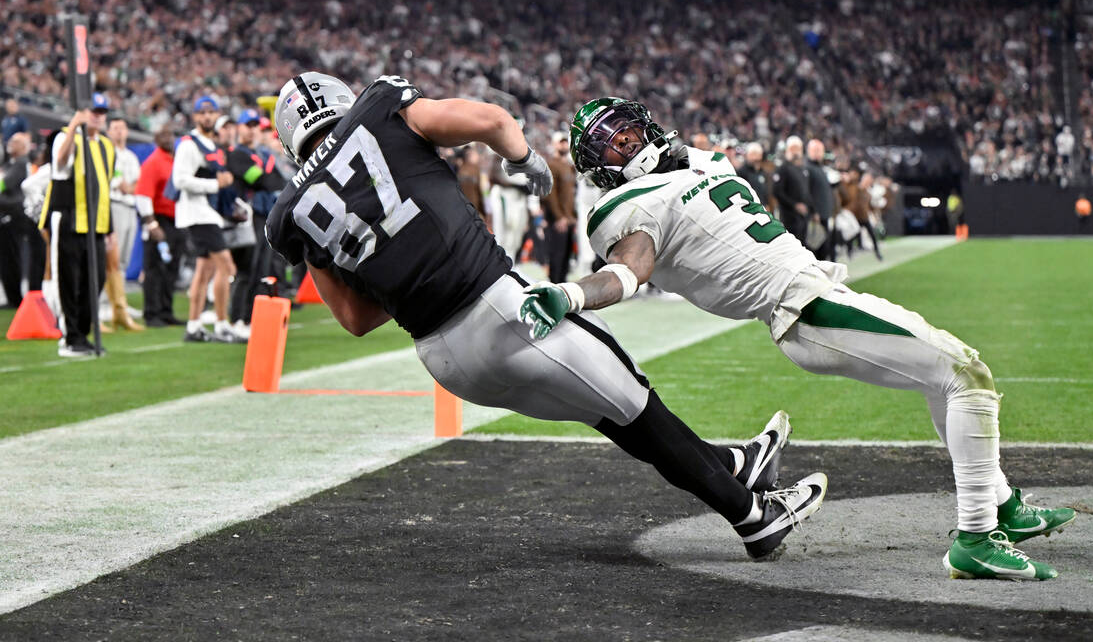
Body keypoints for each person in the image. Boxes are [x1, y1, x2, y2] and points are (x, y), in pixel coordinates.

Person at [265, 72, 826, 561]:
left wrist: (402, 268)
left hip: (444, 359)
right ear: (339, 98)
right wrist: (525, 159)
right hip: (500, 308)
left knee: (612, 413)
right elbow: (490, 119)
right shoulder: (380, 106)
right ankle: (754, 515)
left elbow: (357, 319)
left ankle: (737, 464)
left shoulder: (288, 212)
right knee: (634, 403)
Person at [521, 96, 1075, 581]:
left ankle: (999, 504)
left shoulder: (697, 164)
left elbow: (703, 165)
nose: (627, 141)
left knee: (942, 377)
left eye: (628, 129)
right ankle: (976, 539)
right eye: (611, 144)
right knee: (966, 374)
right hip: (802, 308)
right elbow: (629, 270)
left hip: (816, 292)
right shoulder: (629, 207)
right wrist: (571, 296)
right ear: (602, 171)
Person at [40, 96, 115, 356]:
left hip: (96, 223)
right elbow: (60, 165)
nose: (97, 116)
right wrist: (74, 126)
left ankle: (82, 333)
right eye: (92, 111)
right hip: (69, 217)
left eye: (101, 112)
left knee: (96, 280)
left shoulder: (106, 145)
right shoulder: (65, 137)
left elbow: (105, 188)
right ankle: (70, 336)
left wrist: (109, 228)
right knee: (68, 279)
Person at [172, 96, 241, 343]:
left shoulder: (211, 145)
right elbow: (179, 180)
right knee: (227, 267)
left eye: (211, 112)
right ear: (195, 117)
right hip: (197, 214)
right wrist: (214, 184)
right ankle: (223, 324)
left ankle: (193, 326)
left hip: (209, 213)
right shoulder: (188, 145)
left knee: (204, 271)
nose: (207, 117)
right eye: (202, 113)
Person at [224, 109, 284, 334]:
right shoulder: (236, 155)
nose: (252, 130)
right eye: (248, 125)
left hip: (262, 216)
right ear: (239, 128)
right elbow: (262, 180)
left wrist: (269, 178)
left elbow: (277, 181)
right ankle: (237, 317)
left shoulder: (263, 155)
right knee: (246, 269)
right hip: (246, 217)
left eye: (255, 126)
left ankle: (250, 317)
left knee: (261, 268)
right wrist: (268, 177)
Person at [135, 126, 184, 326]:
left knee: (171, 268)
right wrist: (152, 224)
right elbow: (142, 195)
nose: (167, 138)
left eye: (170, 134)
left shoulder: (174, 160)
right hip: (159, 219)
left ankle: (166, 311)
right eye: (162, 135)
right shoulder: (153, 162)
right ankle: (151, 313)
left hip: (176, 220)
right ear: (155, 139)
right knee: (154, 268)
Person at [102, 115, 145, 331]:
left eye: (122, 127)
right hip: (114, 204)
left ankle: (121, 304)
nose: (119, 131)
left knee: (125, 257)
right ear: (109, 131)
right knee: (112, 257)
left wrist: (130, 187)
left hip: (130, 205)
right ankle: (104, 304)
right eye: (115, 127)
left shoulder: (130, 156)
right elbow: (115, 182)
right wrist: (126, 186)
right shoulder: (106, 152)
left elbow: (138, 183)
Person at [0, 133, 43, 308]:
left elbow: (4, 184)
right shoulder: (10, 163)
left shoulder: (20, 163)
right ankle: (13, 297)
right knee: (7, 259)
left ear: (25, 146)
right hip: (8, 215)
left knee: (12, 258)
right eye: (11, 141)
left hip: (14, 216)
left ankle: (16, 298)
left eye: (16, 142)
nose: (11, 144)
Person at [541, 131, 576, 282]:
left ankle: (562, 288)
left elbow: (570, 195)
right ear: (554, 144)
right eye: (560, 142)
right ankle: (554, 288)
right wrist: (559, 217)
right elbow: (550, 194)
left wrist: (572, 216)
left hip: (568, 219)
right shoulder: (551, 164)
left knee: (566, 256)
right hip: (558, 220)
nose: (564, 145)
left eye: (565, 142)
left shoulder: (568, 165)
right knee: (557, 255)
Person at [771, 136, 812, 247]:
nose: (795, 152)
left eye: (798, 148)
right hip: (789, 216)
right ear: (787, 150)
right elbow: (777, 191)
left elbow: (806, 191)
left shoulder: (802, 169)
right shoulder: (783, 168)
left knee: (804, 246)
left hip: (803, 216)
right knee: (794, 247)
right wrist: (795, 205)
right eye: (793, 148)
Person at [804, 139, 837, 261]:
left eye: (820, 150)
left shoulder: (820, 168)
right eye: (815, 150)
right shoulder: (807, 167)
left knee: (824, 248)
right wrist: (813, 211)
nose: (818, 153)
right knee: (815, 249)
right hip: (815, 216)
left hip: (824, 213)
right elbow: (806, 192)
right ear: (809, 151)